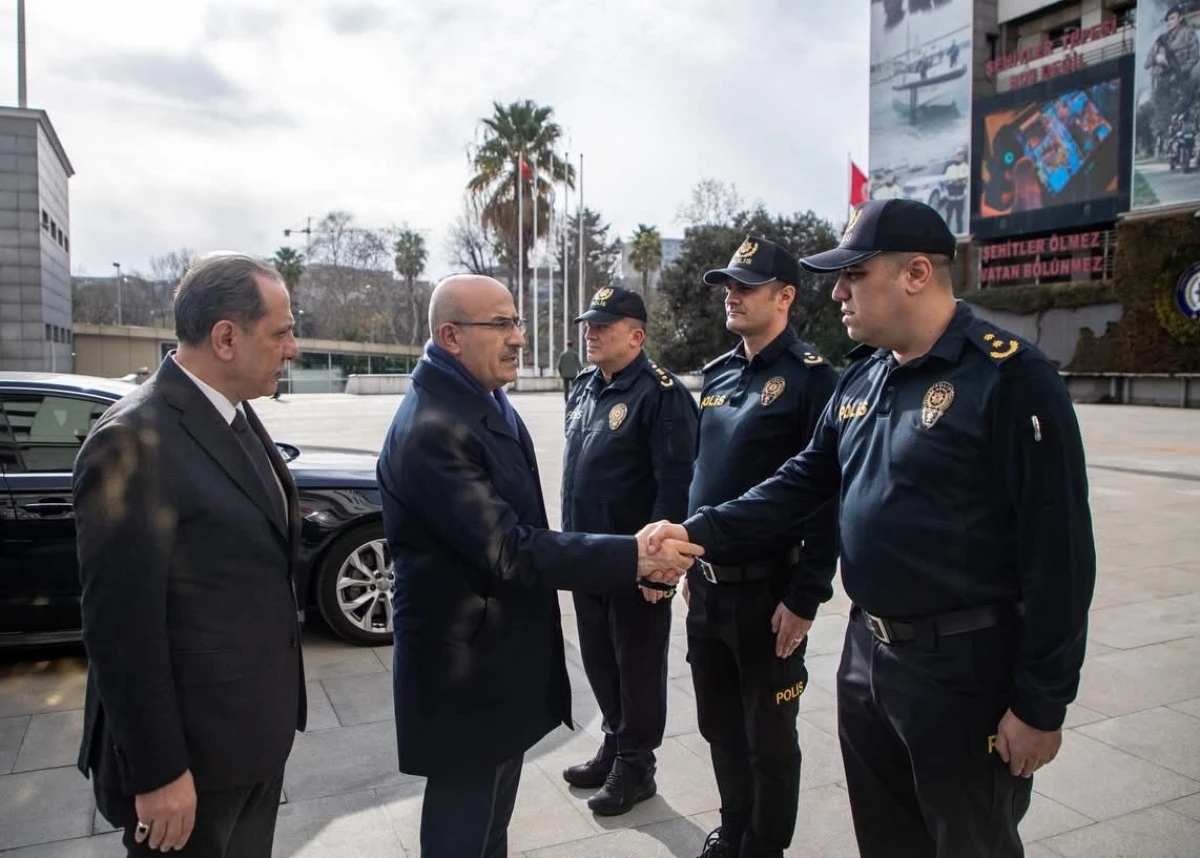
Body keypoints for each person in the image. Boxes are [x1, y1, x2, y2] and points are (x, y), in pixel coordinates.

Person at [648, 199, 1096, 858]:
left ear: (916, 273)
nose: (837, 292)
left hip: (963, 669)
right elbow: (801, 483)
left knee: (968, 840)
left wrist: (1041, 703)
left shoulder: (1009, 379)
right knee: (886, 840)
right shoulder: (863, 380)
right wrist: (696, 531)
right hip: (868, 657)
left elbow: (1059, 555)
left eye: (854, 274)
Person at [376, 274, 703, 858]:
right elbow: (509, 547)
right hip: (463, 673)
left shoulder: (480, 397)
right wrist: (634, 555)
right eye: (500, 324)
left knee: (489, 824)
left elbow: (671, 480)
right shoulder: (433, 427)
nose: (519, 338)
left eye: (516, 322)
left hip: (495, 656)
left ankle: (632, 754)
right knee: (463, 827)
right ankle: (618, 746)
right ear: (450, 336)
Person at [74, 252, 307, 857]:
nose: (293, 347)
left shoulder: (235, 415)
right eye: (281, 332)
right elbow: (121, 630)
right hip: (188, 770)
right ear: (226, 337)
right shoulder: (134, 438)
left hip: (250, 742)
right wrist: (157, 773)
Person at [684, 236, 840, 858]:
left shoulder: (811, 377)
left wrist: (806, 596)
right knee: (719, 724)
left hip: (770, 591)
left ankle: (765, 846)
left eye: (746, 285)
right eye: (729, 284)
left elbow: (826, 495)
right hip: (708, 587)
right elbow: (703, 472)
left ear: (785, 296)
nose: (733, 294)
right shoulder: (718, 373)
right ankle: (735, 826)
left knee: (769, 735)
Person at [560, 286, 700, 815]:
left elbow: (675, 487)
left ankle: (637, 764)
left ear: (636, 335)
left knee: (636, 664)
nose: (591, 332)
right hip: (587, 555)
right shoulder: (585, 387)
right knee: (599, 658)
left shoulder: (662, 395)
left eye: (604, 325)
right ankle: (616, 742)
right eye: (589, 325)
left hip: (636, 563)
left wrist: (662, 565)